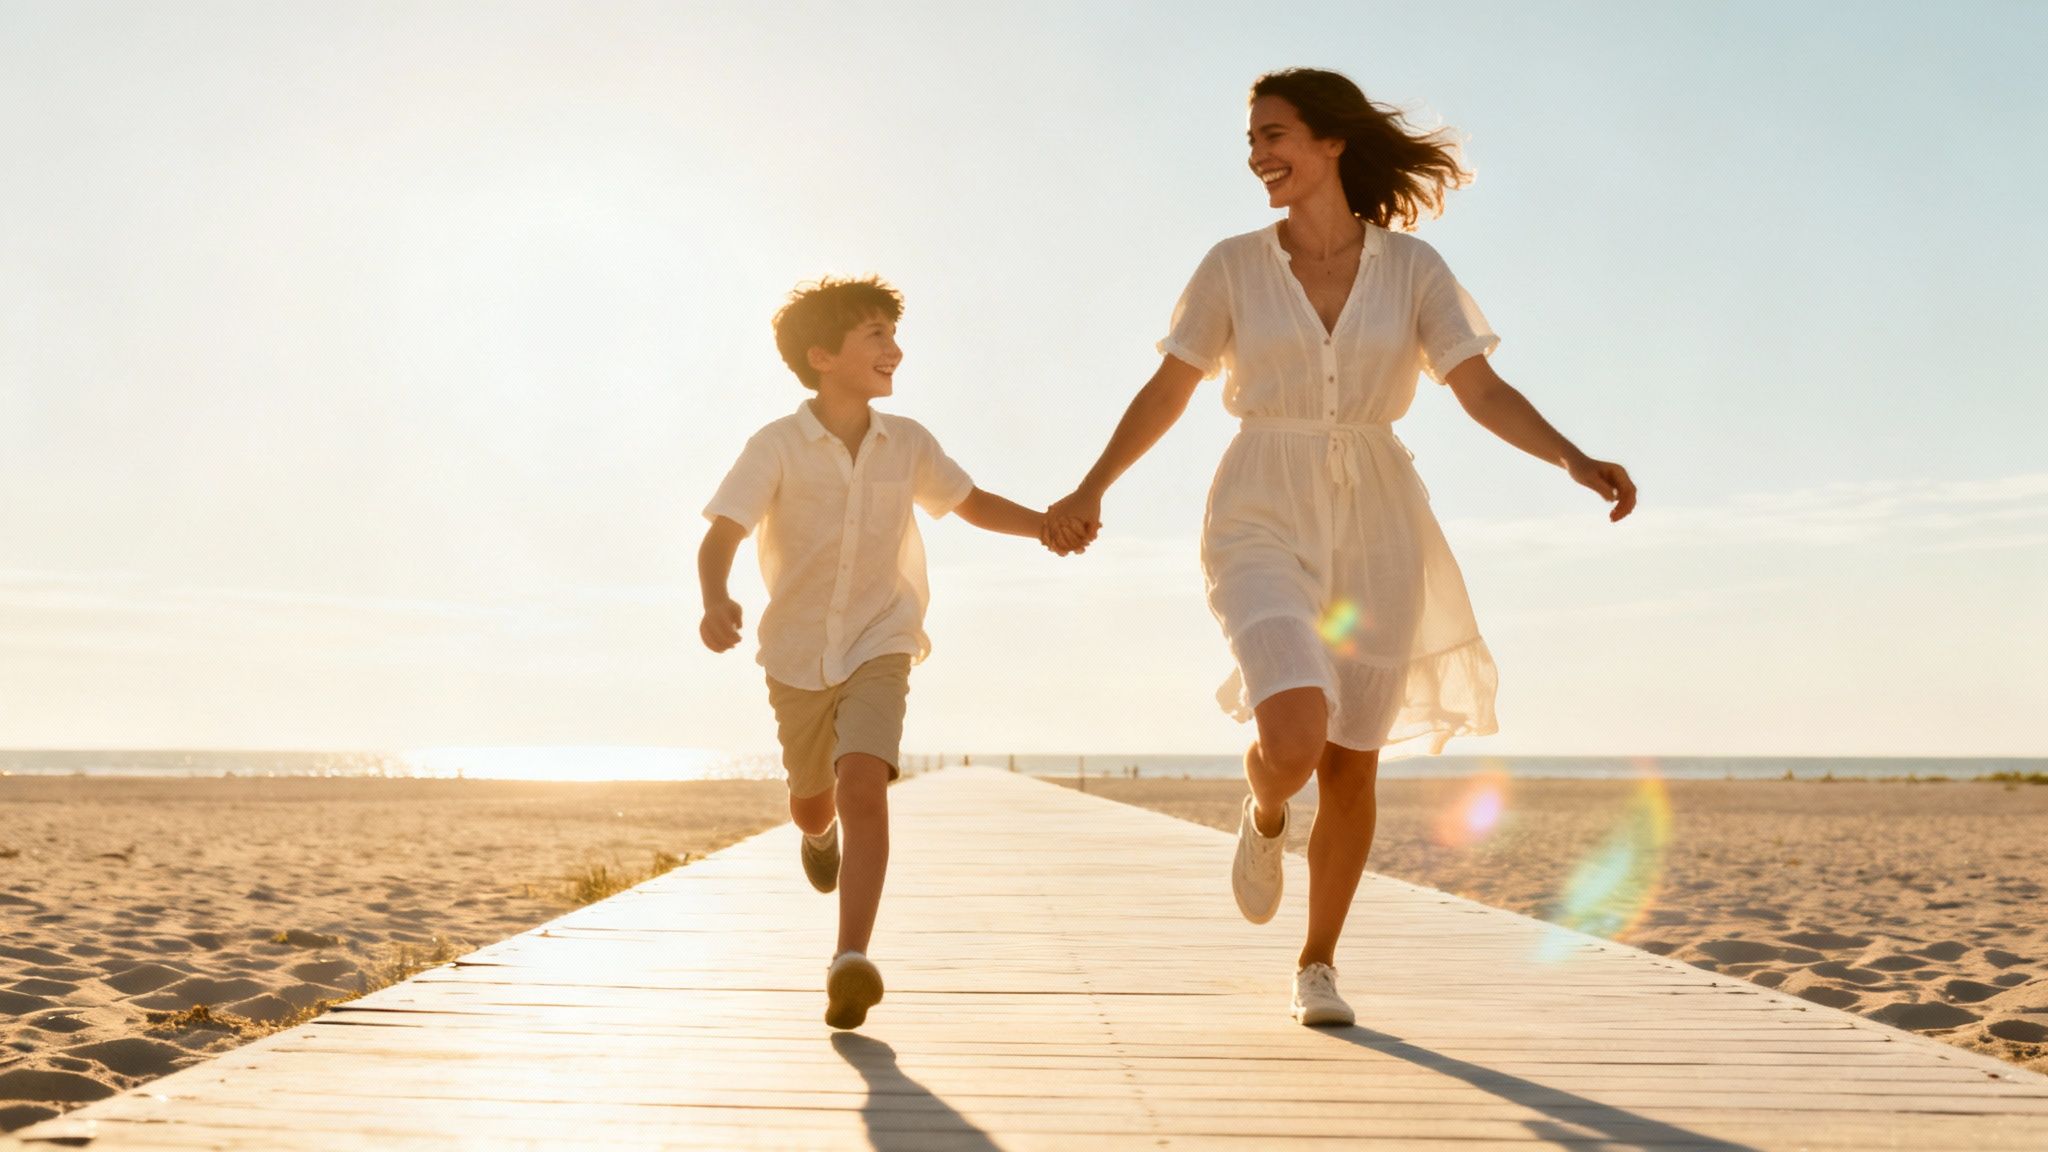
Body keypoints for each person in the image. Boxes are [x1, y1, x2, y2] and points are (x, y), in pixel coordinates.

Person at [1044, 68, 1636, 1027]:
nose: (1256, 156)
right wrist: (1090, 486)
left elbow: (1478, 388)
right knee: (1293, 734)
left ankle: (1316, 964)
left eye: (1274, 135)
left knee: (1352, 762)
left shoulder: (1413, 271)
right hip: (1259, 510)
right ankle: (1266, 807)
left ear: (1332, 144)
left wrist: (1570, 455)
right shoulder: (1232, 266)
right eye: (1251, 140)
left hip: (1378, 524)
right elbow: (1170, 389)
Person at [699, 275, 1061, 1029]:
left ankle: (849, 959)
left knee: (863, 781)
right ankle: (817, 835)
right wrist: (716, 598)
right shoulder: (775, 446)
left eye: (894, 338)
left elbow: (970, 502)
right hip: (795, 652)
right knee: (811, 800)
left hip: (881, 637)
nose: (894, 351)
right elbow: (723, 532)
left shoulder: (910, 443)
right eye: (876, 338)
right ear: (822, 356)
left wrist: (1046, 526)